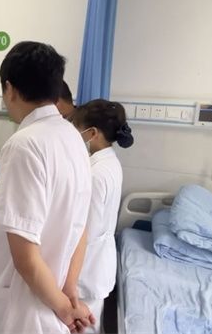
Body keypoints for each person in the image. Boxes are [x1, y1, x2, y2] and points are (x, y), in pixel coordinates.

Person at [0, 41, 94, 334]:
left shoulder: (23, 145)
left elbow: (26, 259)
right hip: (52, 293)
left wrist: (65, 309)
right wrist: (69, 292)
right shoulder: (73, 137)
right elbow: (80, 226)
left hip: (23, 309)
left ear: (9, 88)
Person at [67, 99, 134, 333]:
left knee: (83, 325)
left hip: (88, 268)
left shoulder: (95, 174)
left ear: (92, 133)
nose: (75, 136)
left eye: (77, 130)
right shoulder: (110, 162)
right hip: (97, 264)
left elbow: (88, 230)